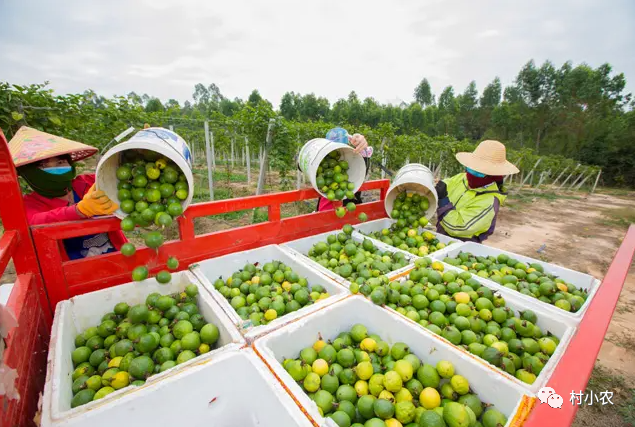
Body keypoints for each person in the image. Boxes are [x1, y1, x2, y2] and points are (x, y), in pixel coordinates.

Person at [9, 127, 126, 260]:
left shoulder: (89, 183)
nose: (56, 168)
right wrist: (80, 210)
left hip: (119, 256)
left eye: (61, 162)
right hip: (74, 272)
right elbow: (34, 222)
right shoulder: (29, 204)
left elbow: (117, 176)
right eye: (45, 165)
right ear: (29, 174)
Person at [434, 139, 519, 242]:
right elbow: (443, 186)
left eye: (479, 173)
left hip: (462, 247)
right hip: (441, 236)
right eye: (470, 169)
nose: (472, 174)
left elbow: (457, 227)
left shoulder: (489, 202)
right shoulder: (462, 178)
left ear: (493, 176)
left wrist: (443, 202)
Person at [315, 127, 373, 212]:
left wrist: (362, 147)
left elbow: (363, 168)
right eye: (333, 148)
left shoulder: (353, 162)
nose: (337, 150)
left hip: (347, 211)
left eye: (341, 146)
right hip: (323, 213)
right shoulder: (323, 163)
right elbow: (302, 165)